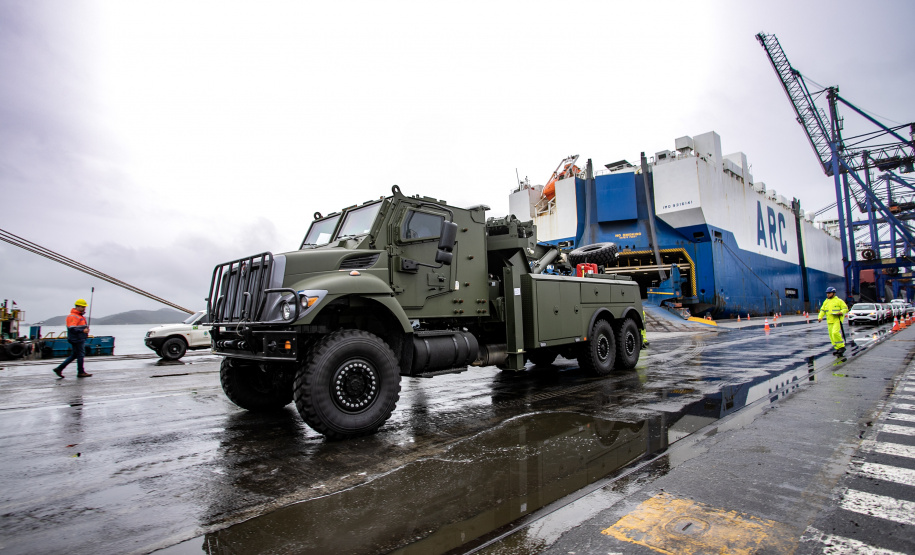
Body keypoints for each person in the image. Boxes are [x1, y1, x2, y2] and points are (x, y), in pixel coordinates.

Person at [52, 299, 93, 378]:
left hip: (79, 338)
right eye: (82, 307)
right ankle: (81, 372)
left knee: (74, 355)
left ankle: (59, 368)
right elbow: (72, 328)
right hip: (77, 339)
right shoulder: (73, 316)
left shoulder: (79, 316)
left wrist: (84, 331)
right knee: (81, 354)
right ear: (77, 306)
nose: (84, 308)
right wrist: (83, 330)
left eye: (84, 307)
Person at [817, 287, 849, 356]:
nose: (828, 295)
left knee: (835, 333)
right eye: (827, 293)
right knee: (831, 336)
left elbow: (845, 308)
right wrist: (820, 317)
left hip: (837, 320)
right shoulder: (826, 302)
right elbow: (822, 310)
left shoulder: (839, 301)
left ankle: (841, 347)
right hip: (829, 321)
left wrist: (841, 312)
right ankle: (837, 348)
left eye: (829, 293)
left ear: (833, 293)